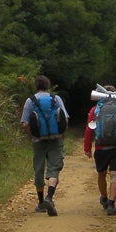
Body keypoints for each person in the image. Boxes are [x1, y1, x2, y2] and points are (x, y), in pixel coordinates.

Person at [20, 75, 70, 216]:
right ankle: (50, 197)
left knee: (39, 169)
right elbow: (65, 119)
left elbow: (25, 123)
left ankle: (41, 203)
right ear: (48, 85)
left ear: (36, 86)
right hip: (56, 139)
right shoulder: (56, 99)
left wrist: (32, 137)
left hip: (38, 141)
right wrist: (62, 135)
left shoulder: (30, 101)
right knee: (54, 169)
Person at [83, 86, 116, 216]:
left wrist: (87, 148)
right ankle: (111, 204)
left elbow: (89, 129)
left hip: (101, 148)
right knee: (115, 175)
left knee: (101, 174)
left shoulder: (95, 110)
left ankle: (104, 198)